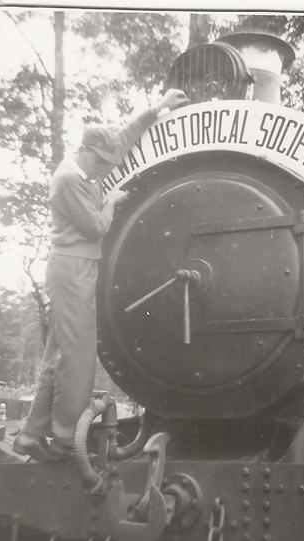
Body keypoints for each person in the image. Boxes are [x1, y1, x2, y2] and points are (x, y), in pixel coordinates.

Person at [13, 89, 189, 461]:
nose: (108, 169)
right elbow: (94, 227)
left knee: (60, 353)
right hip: (72, 267)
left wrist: (156, 109)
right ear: (86, 152)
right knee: (78, 357)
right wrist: (110, 202)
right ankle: (64, 440)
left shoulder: (88, 163)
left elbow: (121, 140)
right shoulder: (68, 180)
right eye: (102, 163)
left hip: (78, 267)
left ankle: (30, 436)